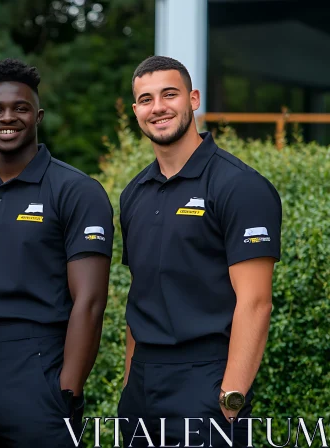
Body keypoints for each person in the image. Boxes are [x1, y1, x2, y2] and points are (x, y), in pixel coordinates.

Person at [0, 58, 114, 447]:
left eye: (20, 108)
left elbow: (91, 301)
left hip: (40, 373)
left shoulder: (76, 191)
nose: (7, 117)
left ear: (38, 116)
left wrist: (67, 390)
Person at [117, 55, 281, 447]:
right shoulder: (133, 194)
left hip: (206, 383)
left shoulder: (240, 187)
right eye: (145, 99)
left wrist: (231, 397)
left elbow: (256, 302)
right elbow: (140, 294)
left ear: (193, 99)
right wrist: (127, 389)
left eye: (169, 95)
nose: (157, 108)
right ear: (136, 110)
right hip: (142, 388)